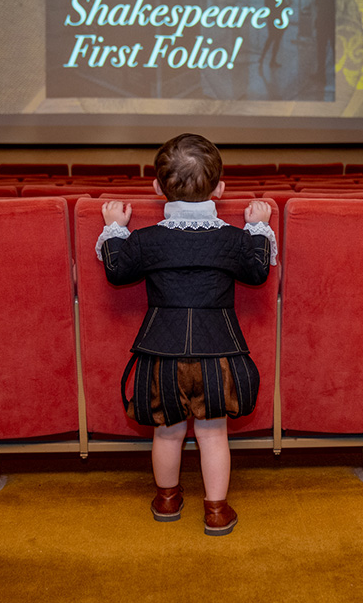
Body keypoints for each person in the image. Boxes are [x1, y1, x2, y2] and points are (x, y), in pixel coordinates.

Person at [95, 133, 277, 536]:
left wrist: (114, 229)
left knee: (167, 430)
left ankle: (167, 499)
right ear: (220, 187)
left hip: (161, 352)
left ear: (157, 187)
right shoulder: (233, 240)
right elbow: (258, 270)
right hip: (219, 352)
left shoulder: (146, 240)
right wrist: (259, 226)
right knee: (213, 434)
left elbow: (117, 270)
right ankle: (215, 510)